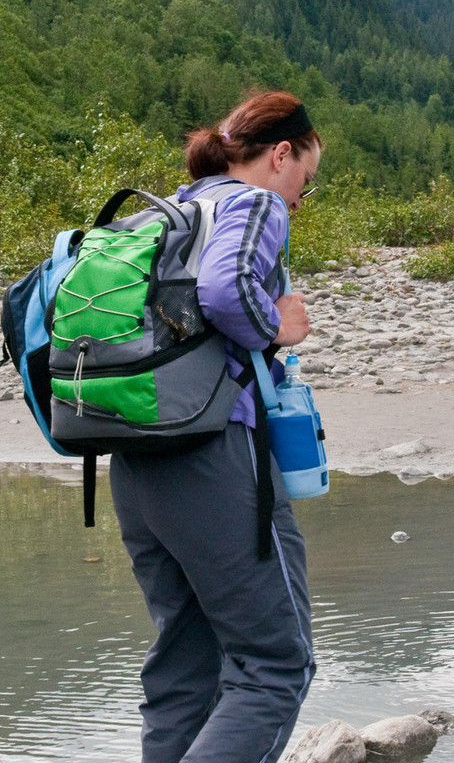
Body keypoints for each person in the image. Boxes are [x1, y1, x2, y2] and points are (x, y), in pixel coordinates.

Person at [109, 91, 319, 763]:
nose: (299, 200)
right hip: (213, 453)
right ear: (281, 154)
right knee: (276, 667)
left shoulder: (173, 208)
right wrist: (277, 329)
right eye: (305, 183)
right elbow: (227, 294)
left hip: (136, 456)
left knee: (186, 668)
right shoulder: (252, 203)